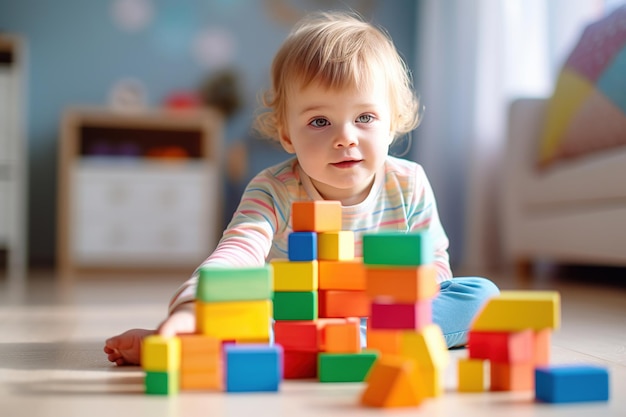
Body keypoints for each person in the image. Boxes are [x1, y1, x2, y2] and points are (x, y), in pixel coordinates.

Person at [104, 11, 499, 366]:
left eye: (364, 117)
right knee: (244, 297)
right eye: (320, 122)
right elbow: (235, 253)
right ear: (287, 135)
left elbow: (435, 264)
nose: (345, 137)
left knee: (480, 295)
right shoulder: (274, 190)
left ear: (392, 122)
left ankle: (317, 343)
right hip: (293, 315)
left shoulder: (409, 182)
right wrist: (190, 310)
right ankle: (204, 336)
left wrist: (413, 288)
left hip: (384, 314)